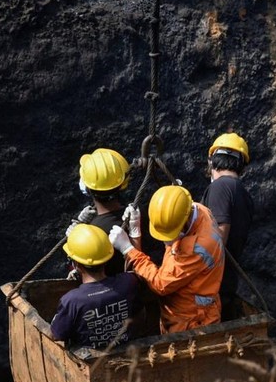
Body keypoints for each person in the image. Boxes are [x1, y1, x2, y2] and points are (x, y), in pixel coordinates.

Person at [108, 185, 225, 334]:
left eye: (169, 236)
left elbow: (160, 284)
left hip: (192, 321)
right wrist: (136, 226)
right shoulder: (198, 209)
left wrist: (128, 250)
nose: (165, 242)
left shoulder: (195, 249)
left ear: (184, 224)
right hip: (192, 307)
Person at [51, 223, 143, 351]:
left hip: (90, 362)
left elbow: (57, 334)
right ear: (107, 257)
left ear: (76, 264)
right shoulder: (127, 283)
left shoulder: (71, 301)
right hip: (127, 351)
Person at [201, 132, 254, 321]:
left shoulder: (220, 187)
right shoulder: (243, 193)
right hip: (227, 280)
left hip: (214, 283)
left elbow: (218, 239)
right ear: (242, 166)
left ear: (211, 161)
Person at [66, 148, 139, 277]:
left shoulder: (92, 235)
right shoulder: (137, 216)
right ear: (122, 183)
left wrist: (74, 238)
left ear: (87, 188)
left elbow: (83, 272)